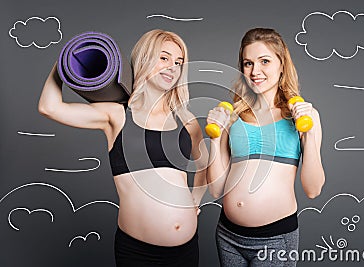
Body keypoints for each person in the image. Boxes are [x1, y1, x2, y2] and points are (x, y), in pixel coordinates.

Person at [38, 29, 208, 267]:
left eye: (178, 62)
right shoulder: (117, 115)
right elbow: (49, 107)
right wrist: (64, 62)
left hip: (187, 251)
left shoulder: (186, 119)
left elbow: (204, 166)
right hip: (138, 253)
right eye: (164, 58)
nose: (172, 67)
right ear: (144, 59)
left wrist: (195, 200)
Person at [206, 28, 325, 266]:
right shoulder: (234, 116)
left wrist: (308, 136)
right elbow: (216, 190)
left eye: (265, 61)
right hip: (228, 235)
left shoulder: (302, 117)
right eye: (248, 63)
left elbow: (313, 190)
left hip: (275, 239)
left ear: (282, 64)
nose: (255, 71)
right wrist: (214, 138)